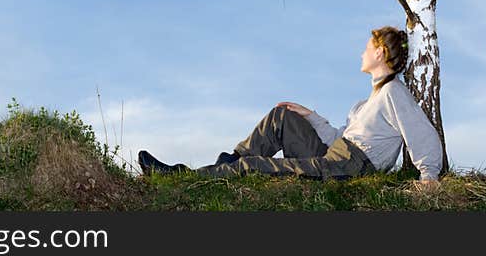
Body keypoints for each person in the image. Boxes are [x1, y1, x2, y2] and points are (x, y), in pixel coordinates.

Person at [138, 26, 444, 186]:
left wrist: (428, 175)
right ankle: (224, 164)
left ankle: (183, 176)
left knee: (254, 167)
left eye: (366, 48)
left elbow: (422, 134)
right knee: (281, 116)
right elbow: (341, 136)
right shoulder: (368, 102)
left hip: (350, 167)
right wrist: (310, 116)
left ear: (379, 53)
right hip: (336, 155)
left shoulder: (393, 93)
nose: (361, 53)